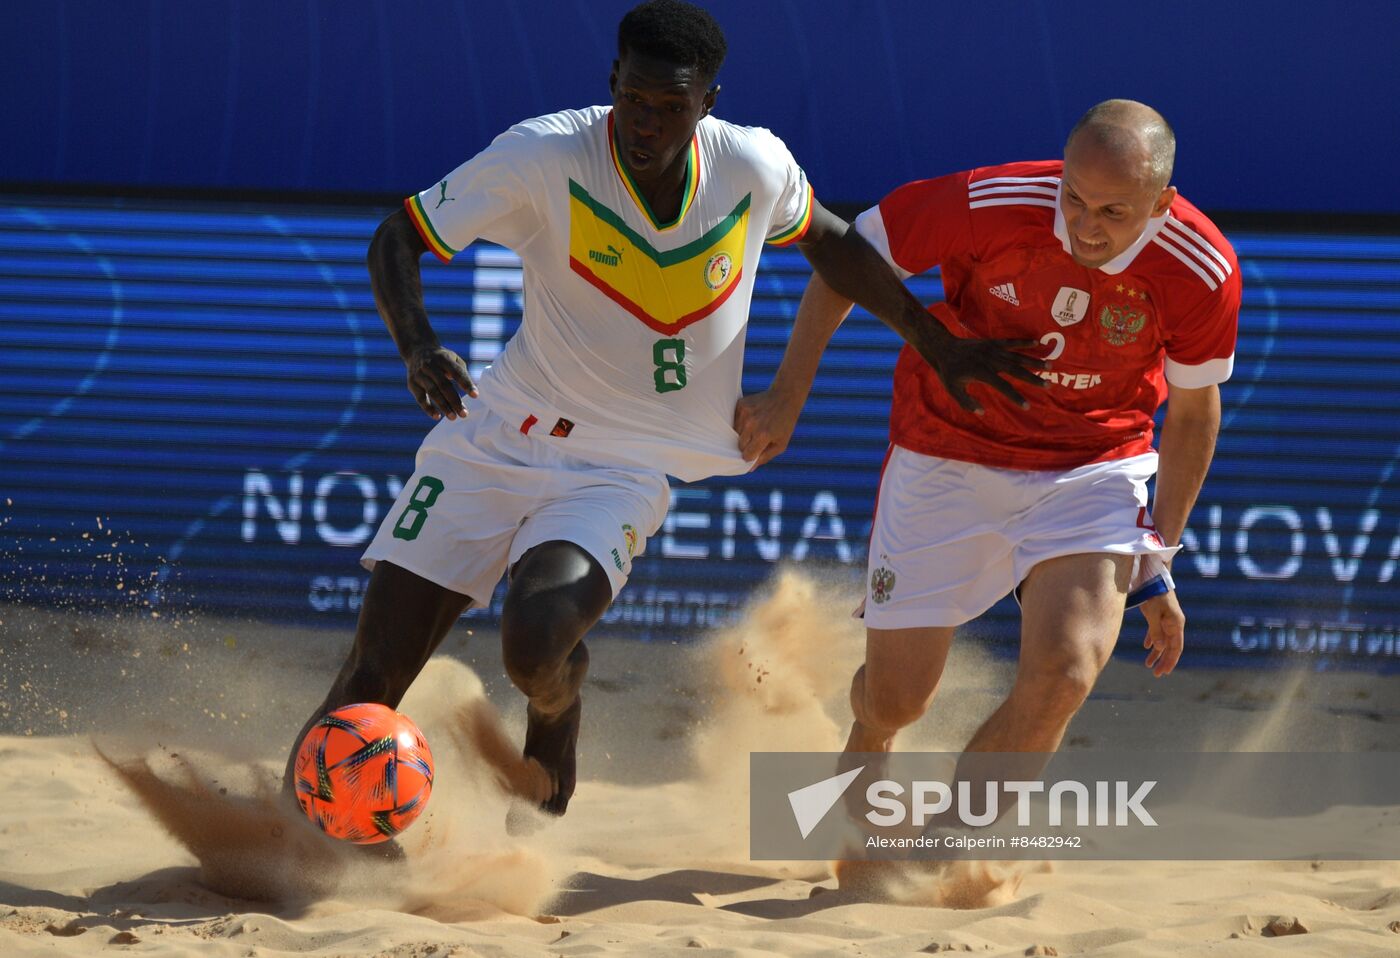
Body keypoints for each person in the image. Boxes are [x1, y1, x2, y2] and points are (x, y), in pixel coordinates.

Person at [284, 0, 1043, 827]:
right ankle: (305, 837)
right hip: (495, 435)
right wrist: (418, 345)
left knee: (536, 645)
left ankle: (554, 709)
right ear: (613, 82)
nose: (646, 122)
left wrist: (935, 339)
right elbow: (398, 236)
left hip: (622, 466)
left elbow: (833, 245)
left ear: (707, 102)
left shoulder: (750, 165)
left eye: (670, 106)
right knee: (370, 679)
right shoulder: (543, 155)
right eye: (634, 99)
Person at [746, 99, 1239, 872]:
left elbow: (1194, 413)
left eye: (1114, 210)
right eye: (1074, 196)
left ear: (1163, 203)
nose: (1086, 222)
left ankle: (931, 860)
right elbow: (846, 255)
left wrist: (1158, 551)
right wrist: (786, 394)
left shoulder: (1198, 266)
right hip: (949, 450)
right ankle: (870, 740)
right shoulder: (992, 201)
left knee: (1067, 670)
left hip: (1092, 467)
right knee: (897, 698)